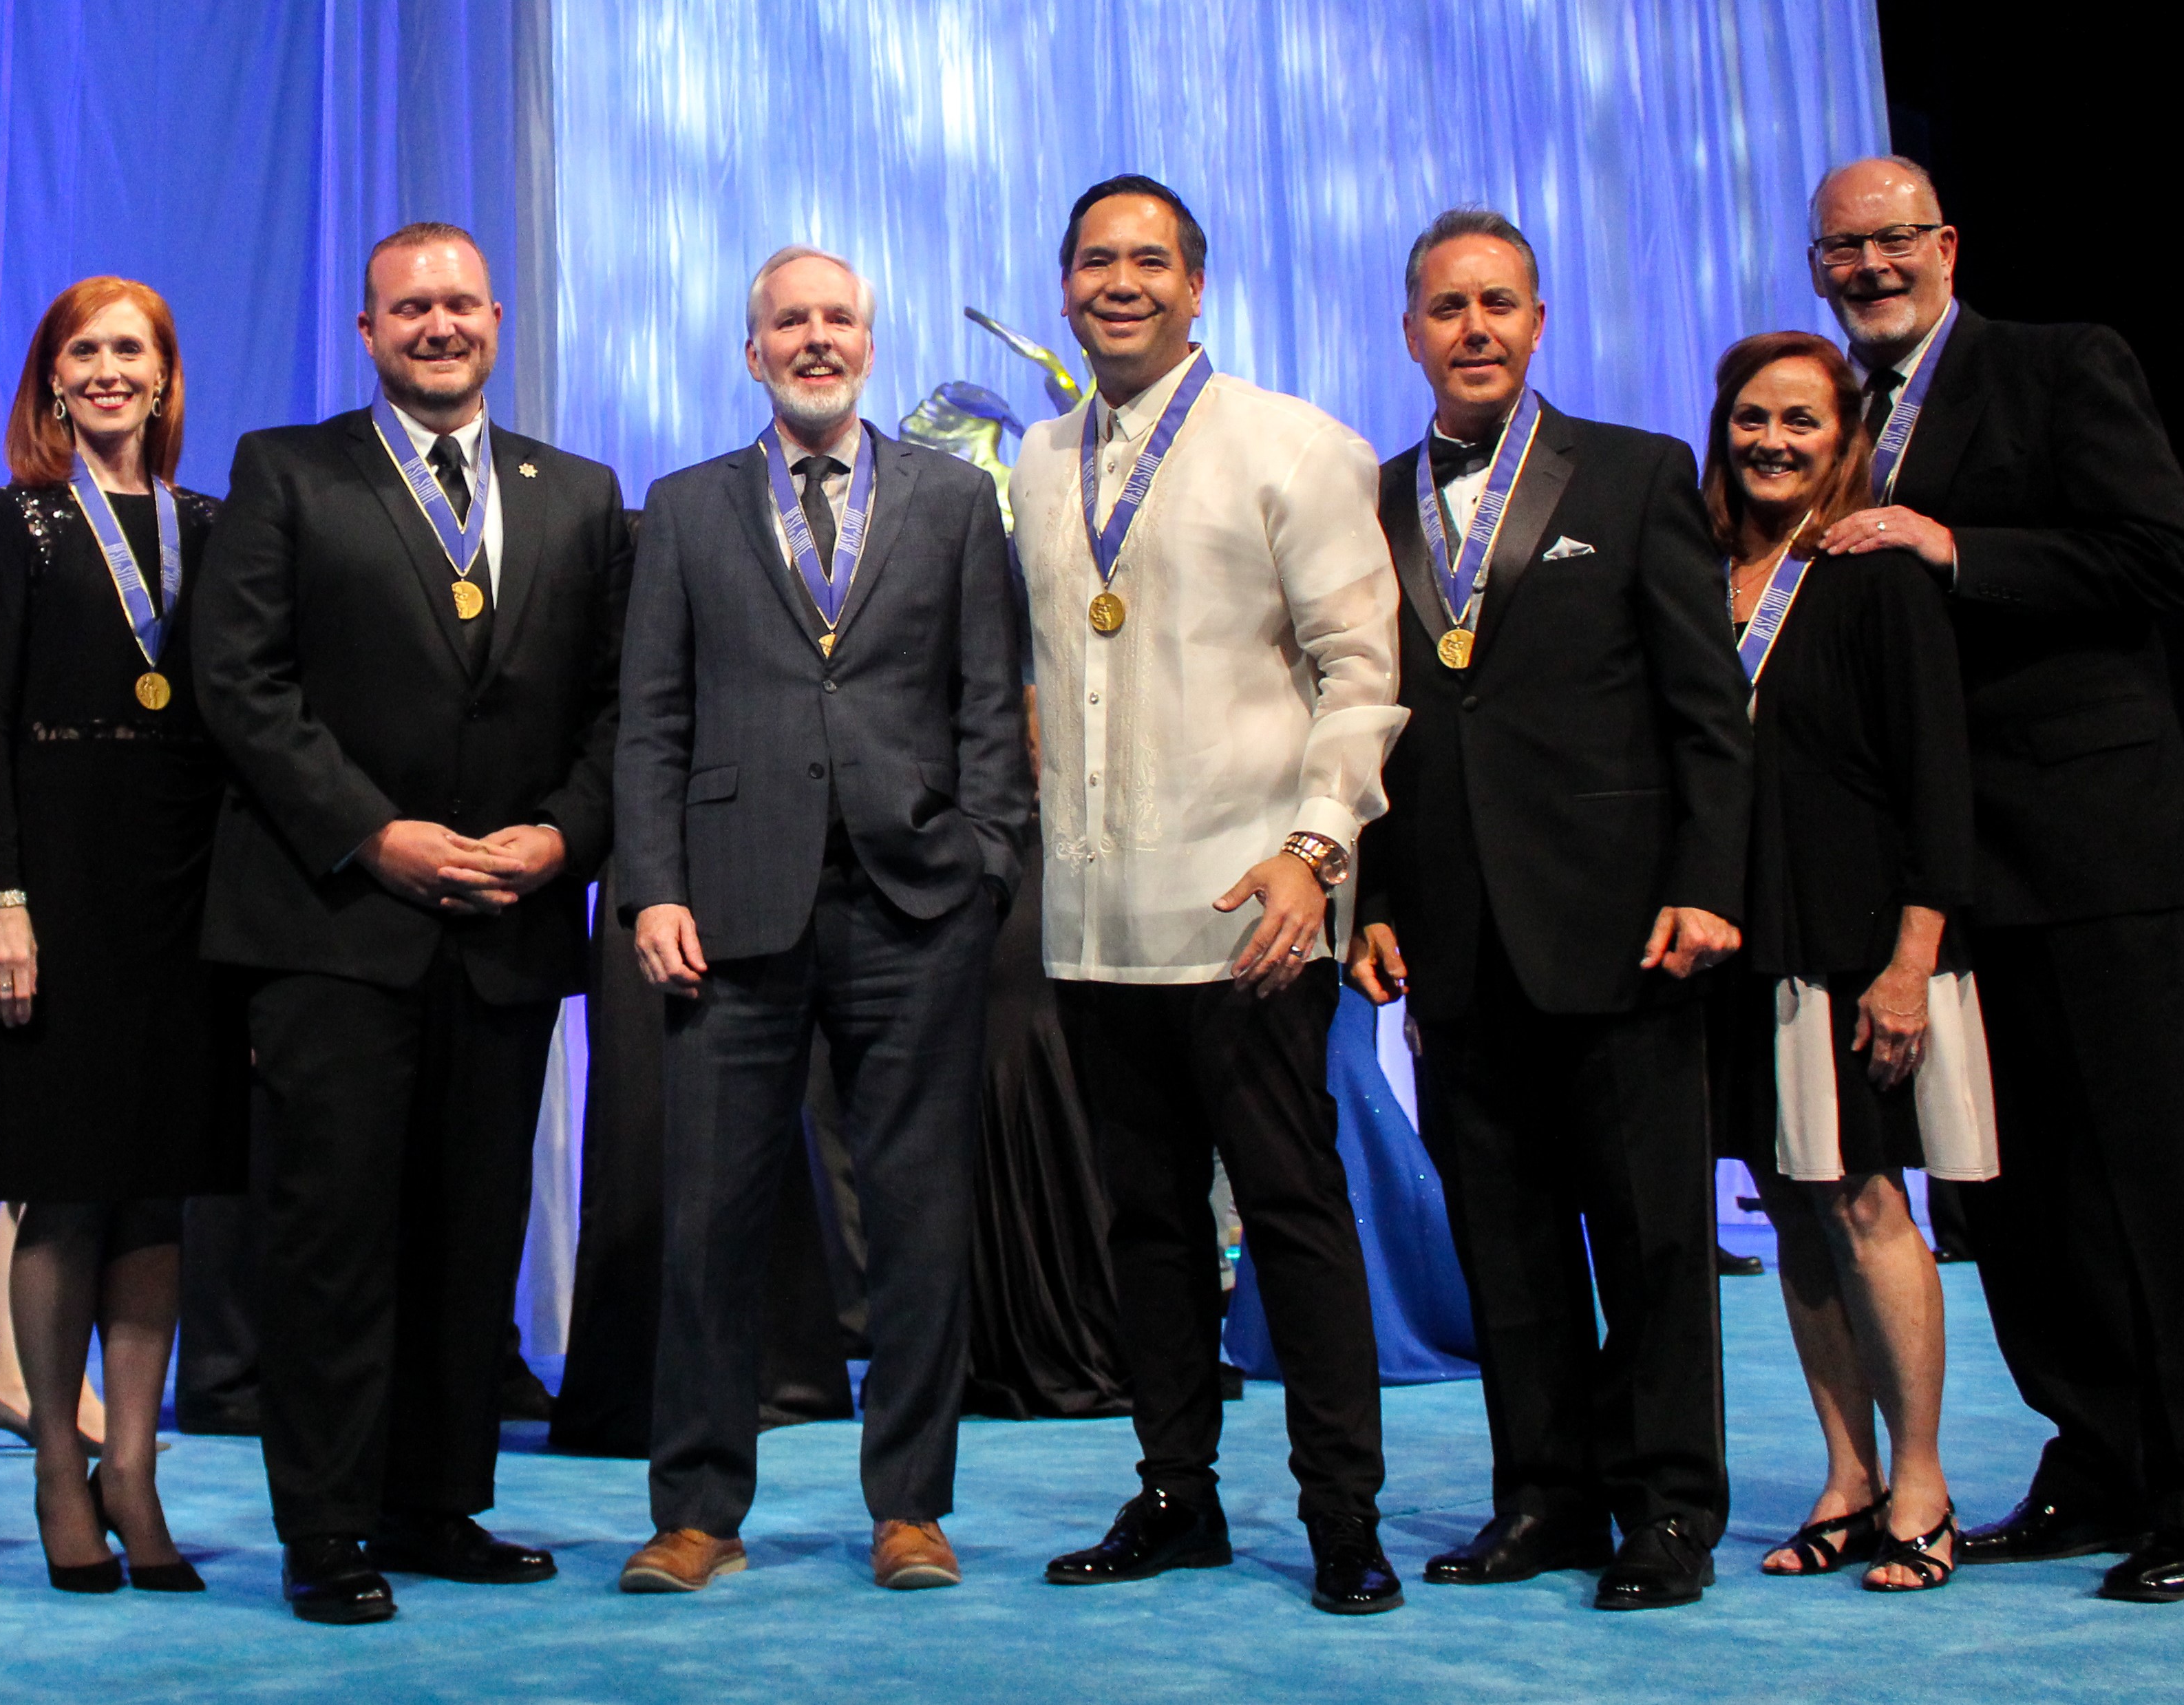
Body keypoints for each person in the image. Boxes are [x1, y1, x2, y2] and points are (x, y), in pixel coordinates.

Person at [1802, 155, 2184, 1600]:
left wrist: (1956, 547)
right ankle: (2099, 1459)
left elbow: (2164, 561)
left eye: (1893, 241)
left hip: (2092, 851)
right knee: (2012, 1195)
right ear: (1816, 266)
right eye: (1844, 249)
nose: (1872, 267)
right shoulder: (1833, 414)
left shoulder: (2058, 366)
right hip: (1942, 878)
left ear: (1945, 243)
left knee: (2156, 1185)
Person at [191, 222, 629, 1624]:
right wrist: (374, 834)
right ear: (365, 331)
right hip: (333, 925)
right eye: (407, 307)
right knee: (332, 1245)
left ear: (495, 319)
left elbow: (621, 708)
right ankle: (325, 1529)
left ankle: (436, 1502)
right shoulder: (287, 471)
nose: (436, 326)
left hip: (505, 931)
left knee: (467, 1234)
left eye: (457, 303)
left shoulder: (575, 492)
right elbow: (242, 685)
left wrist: (562, 836)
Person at [1006, 180, 1409, 1614]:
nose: (1122, 283)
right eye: (1096, 261)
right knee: (1149, 1224)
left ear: (1197, 286)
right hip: (1096, 920)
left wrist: (1315, 851)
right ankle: (1177, 1492)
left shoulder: (1293, 446)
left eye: (1149, 261)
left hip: (1255, 907)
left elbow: (1363, 677)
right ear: (1063, 290)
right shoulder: (1039, 465)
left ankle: (1341, 1515)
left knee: (1294, 1213)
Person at [611, 246, 1029, 1598]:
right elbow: (653, 719)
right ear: (751, 351)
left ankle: (909, 1504)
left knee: (915, 1221)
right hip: (728, 910)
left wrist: (985, 864)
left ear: (867, 338)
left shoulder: (957, 501)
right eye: (788, 322)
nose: (814, 338)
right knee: (711, 1224)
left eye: (836, 318)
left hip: (915, 906)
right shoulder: (678, 509)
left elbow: (986, 701)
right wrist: (654, 884)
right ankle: (696, 1509)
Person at [1351, 211, 1752, 1612]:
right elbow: (1369, 726)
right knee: (1503, 1241)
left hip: (1623, 925)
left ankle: (1666, 1509)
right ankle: (1544, 1494)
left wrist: (1708, 882)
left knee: (1648, 1238)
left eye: (1499, 303)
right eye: (1447, 307)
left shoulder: (1636, 475)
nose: (1474, 327)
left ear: (1537, 323)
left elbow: (1707, 710)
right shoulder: (1375, 498)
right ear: (1409, 331)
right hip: (1454, 937)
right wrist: (1372, 897)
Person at [0, 277, 248, 1593]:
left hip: (185, 890)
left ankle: (135, 1466)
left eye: (133, 348)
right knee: (67, 1183)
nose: (111, 369)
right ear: (53, 377)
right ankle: (54, 1463)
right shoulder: (14, 524)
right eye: (86, 348)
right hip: (57, 892)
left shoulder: (212, 524)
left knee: (157, 1195)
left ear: (166, 374)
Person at [1699, 330, 1980, 1593]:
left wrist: (1913, 957)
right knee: (1795, 1211)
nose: (1773, 441)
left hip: (1855, 940)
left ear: (1844, 439)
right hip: (1739, 946)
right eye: (1753, 418)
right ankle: (1846, 1475)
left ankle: (1921, 1480)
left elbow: (1939, 775)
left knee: (1866, 1201)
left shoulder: (1873, 570)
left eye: (1801, 422)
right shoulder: (1705, 575)